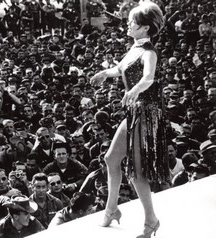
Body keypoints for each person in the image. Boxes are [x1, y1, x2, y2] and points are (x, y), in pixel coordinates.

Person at [90, 2, 167, 237]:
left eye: (133, 21)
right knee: (112, 158)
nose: (128, 23)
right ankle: (112, 210)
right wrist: (105, 73)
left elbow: (148, 77)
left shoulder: (149, 52)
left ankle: (151, 220)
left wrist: (134, 90)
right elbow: (120, 68)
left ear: (145, 28)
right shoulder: (134, 48)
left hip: (146, 113)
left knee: (136, 171)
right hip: (134, 112)